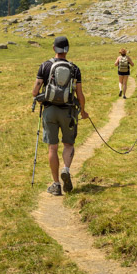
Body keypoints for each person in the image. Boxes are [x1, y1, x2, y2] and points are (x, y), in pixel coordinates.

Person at [32, 36, 88, 196]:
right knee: (68, 144)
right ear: (67, 49)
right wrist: (83, 111)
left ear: (53, 48)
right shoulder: (74, 68)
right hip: (68, 112)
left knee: (52, 147)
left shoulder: (45, 66)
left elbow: (35, 92)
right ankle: (66, 169)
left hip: (49, 111)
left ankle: (56, 184)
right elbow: (80, 93)